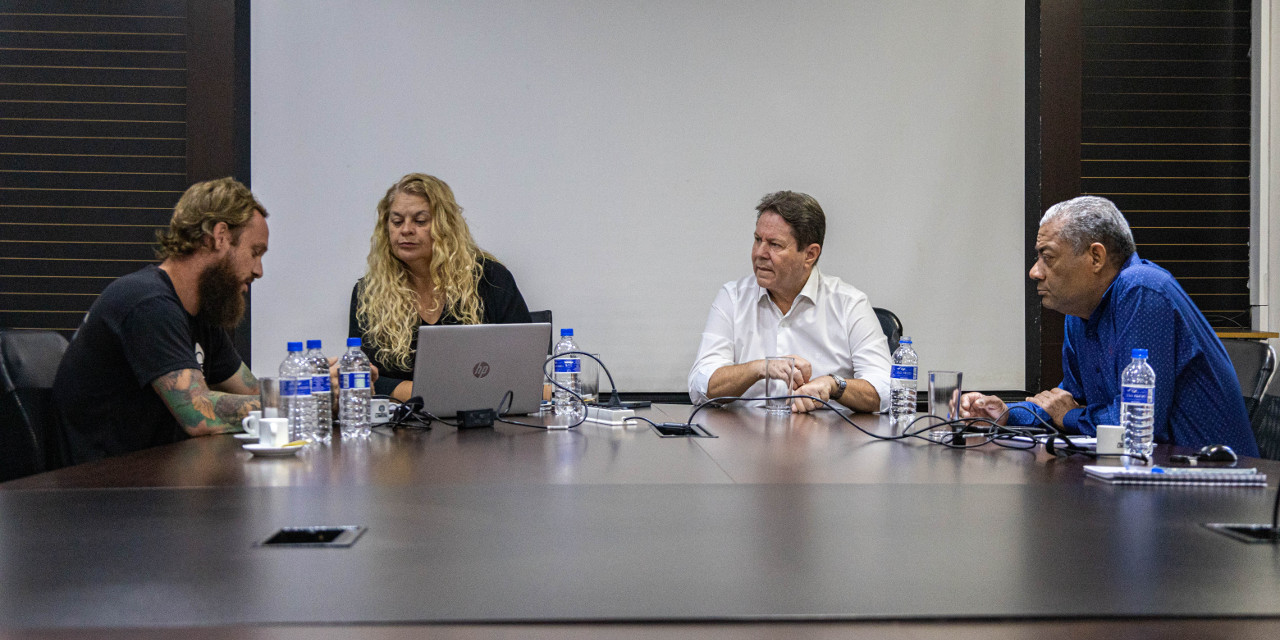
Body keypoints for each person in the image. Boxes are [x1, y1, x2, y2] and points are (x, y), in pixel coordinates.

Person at [958, 196, 1259, 456]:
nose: (1035, 272)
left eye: (1047, 257)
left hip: (1211, 488)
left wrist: (1072, 417)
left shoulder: (1142, 289)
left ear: (1096, 257)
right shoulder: (1079, 312)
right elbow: (1065, 401)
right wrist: (1006, 415)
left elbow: (1137, 423)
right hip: (1148, 476)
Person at [53, 178, 269, 462]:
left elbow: (251, 389)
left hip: (152, 476)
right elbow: (198, 414)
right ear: (220, 236)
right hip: (102, 489)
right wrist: (296, 403)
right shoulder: (148, 304)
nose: (259, 270)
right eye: (255, 252)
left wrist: (313, 387)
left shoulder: (200, 311)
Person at [688, 190, 891, 413]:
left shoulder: (849, 304)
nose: (760, 253)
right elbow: (700, 386)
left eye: (775, 244)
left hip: (827, 440)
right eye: (758, 240)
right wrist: (759, 368)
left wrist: (833, 385)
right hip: (746, 438)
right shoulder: (733, 297)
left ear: (810, 254)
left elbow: (886, 390)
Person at [349, 173, 532, 401]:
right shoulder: (369, 294)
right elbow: (363, 375)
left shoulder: (490, 279)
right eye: (396, 221)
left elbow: (527, 368)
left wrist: (431, 395)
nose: (406, 230)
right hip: (401, 426)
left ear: (445, 226)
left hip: (484, 423)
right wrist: (428, 395)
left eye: (420, 221)